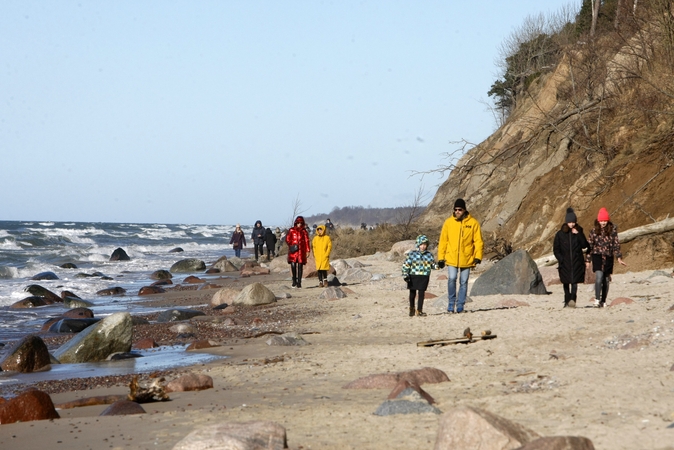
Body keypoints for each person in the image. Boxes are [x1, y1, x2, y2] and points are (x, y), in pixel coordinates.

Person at [438, 198, 484, 314]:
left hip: (467, 258)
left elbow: (478, 241)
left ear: (464, 210)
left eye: (460, 209)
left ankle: (460, 306)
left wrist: (478, 256)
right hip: (451, 257)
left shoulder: (473, 223)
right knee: (452, 279)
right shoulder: (448, 222)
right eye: (456, 209)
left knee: (463, 282)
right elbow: (443, 241)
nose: (457, 211)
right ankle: (450, 304)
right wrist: (441, 258)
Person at [586, 207, 627, 307]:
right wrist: (587, 260)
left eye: (604, 220)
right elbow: (590, 246)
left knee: (606, 280)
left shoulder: (612, 231)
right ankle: (597, 299)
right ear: (598, 221)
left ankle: (603, 300)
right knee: (599, 277)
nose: (603, 223)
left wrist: (619, 258)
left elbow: (616, 245)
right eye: (601, 221)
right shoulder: (594, 231)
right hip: (597, 256)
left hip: (608, 257)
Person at [553, 208, 589, 308]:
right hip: (565, 262)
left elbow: (584, 245)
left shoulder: (579, 231)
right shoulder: (560, 234)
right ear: (566, 222)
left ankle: (573, 300)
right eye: (570, 222)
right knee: (565, 282)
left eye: (573, 222)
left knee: (574, 282)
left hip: (577, 261)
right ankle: (566, 300)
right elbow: (556, 249)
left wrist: (578, 234)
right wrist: (561, 259)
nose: (572, 224)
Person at [401, 235, 439, 317]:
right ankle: (411, 309)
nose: (423, 246)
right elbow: (406, 265)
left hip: (424, 276)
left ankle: (419, 310)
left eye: (425, 244)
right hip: (413, 275)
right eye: (421, 244)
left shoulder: (429, 255)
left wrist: (440, 265)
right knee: (412, 294)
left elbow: (433, 265)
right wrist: (405, 275)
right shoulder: (412, 254)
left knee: (421, 294)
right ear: (418, 244)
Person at [286, 216, 311, 288]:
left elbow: (307, 241)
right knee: (293, 265)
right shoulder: (291, 230)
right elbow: (287, 239)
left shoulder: (304, 231)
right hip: (293, 250)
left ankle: (299, 282)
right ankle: (294, 280)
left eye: (301, 223)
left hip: (301, 250)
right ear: (296, 222)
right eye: (298, 222)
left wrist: (308, 250)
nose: (299, 224)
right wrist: (292, 244)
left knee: (300, 266)